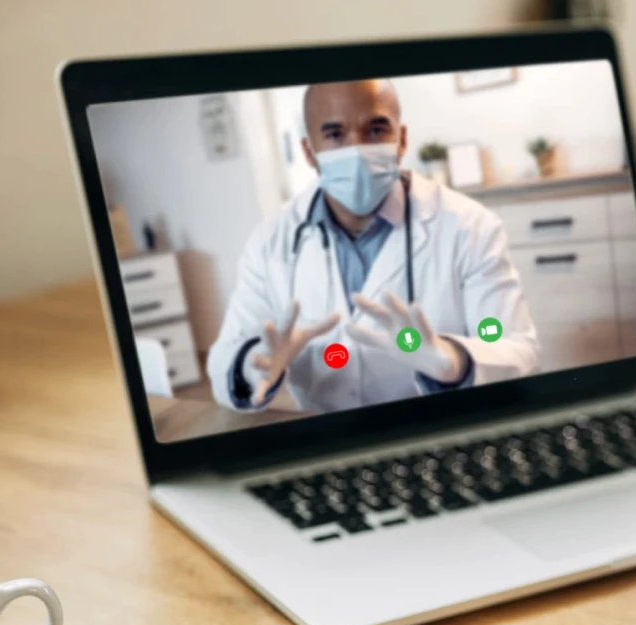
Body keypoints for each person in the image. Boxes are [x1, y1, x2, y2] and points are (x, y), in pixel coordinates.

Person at [204, 79, 539, 414]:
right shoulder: (270, 242)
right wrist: (252, 364)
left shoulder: (471, 226)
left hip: (439, 423)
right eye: (335, 134)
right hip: (328, 432)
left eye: (376, 130)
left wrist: (454, 360)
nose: (357, 150)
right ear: (309, 152)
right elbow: (224, 358)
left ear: (401, 140)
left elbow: (516, 348)